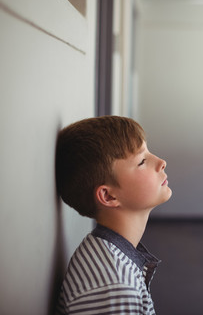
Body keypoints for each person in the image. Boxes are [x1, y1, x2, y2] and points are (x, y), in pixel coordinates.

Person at [55, 115, 172, 314]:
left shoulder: (106, 254)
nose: (161, 162)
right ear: (108, 196)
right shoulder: (115, 287)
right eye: (142, 161)